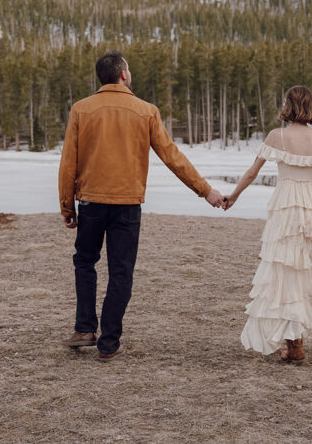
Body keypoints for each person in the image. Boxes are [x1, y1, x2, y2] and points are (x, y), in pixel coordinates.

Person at [59, 51, 226, 360]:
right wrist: (206, 191)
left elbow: (69, 163)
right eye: (129, 69)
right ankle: (109, 343)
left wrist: (68, 207)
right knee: (121, 271)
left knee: (84, 261)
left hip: (91, 202)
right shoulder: (146, 111)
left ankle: (84, 328)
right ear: (123, 74)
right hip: (127, 204)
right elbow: (172, 156)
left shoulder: (81, 110)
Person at [223, 85, 312, 363]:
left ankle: (294, 341)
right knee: (303, 271)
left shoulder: (277, 137)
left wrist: (232, 197)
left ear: (288, 105)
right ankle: (294, 341)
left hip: (287, 205)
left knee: (285, 269)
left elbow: (252, 173)